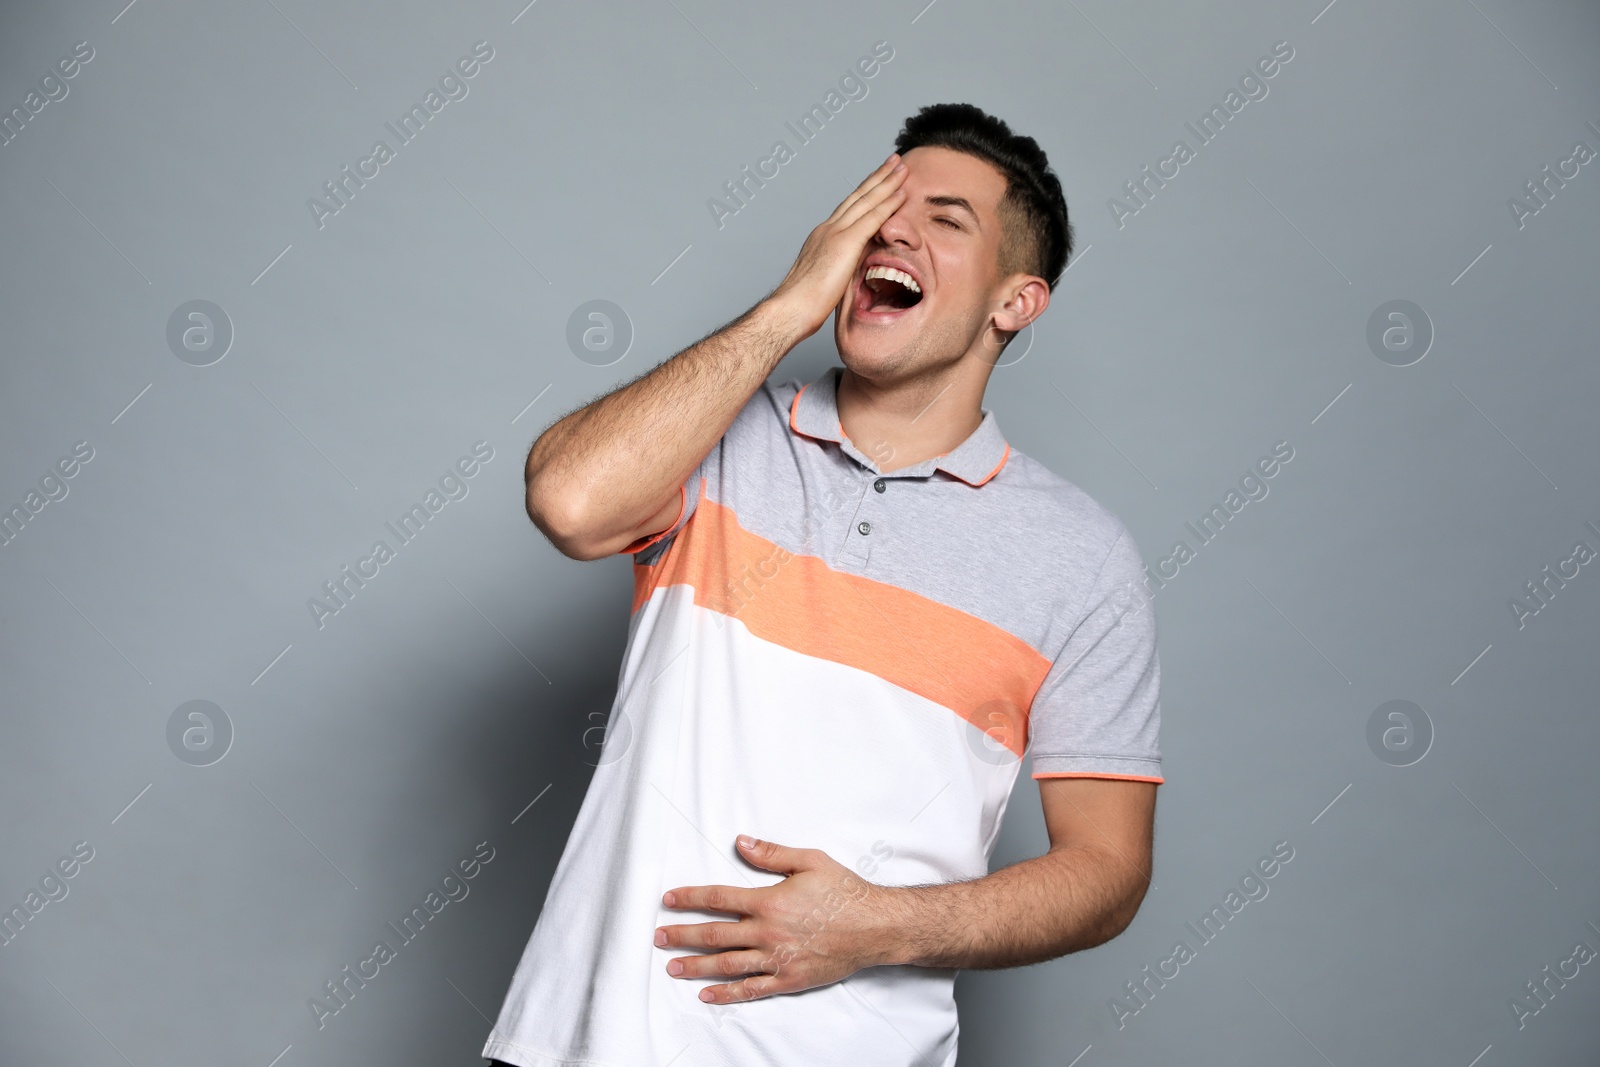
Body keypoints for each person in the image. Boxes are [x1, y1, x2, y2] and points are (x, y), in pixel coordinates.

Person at [482, 102, 1163, 1067]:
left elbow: (1107, 872)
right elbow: (569, 500)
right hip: (580, 1045)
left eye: (946, 217)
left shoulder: (1082, 558)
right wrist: (784, 310)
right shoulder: (715, 438)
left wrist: (879, 925)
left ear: (1016, 301)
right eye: (880, 202)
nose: (892, 228)